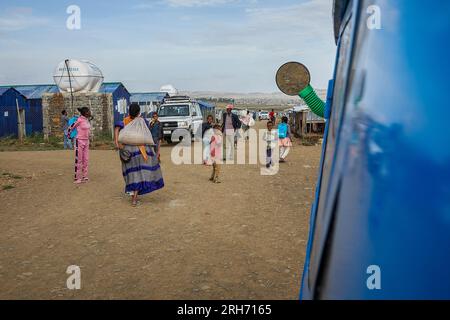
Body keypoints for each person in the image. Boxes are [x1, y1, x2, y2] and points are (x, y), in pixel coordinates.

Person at [114, 103, 164, 207]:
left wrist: (117, 143)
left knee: (130, 173)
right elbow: (147, 134)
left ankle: (133, 195)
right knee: (138, 174)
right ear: (138, 112)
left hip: (126, 151)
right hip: (139, 151)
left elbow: (117, 128)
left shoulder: (124, 121)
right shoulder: (142, 121)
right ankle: (134, 199)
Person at [67, 107, 91, 184]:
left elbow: (88, 130)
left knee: (86, 159)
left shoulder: (86, 120)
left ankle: (85, 176)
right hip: (79, 141)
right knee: (79, 159)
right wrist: (69, 136)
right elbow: (71, 127)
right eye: (88, 111)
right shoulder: (79, 120)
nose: (90, 112)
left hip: (86, 141)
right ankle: (77, 177)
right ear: (85, 113)